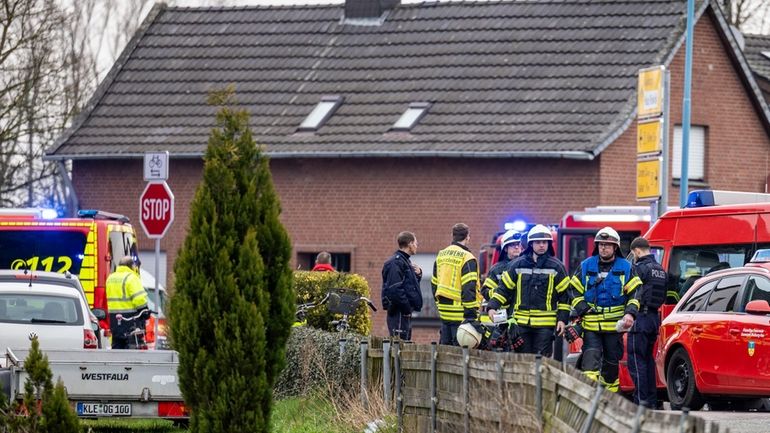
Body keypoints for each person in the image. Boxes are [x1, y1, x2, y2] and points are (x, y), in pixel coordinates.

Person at [568, 227, 642, 392]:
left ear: (615, 247)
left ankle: (609, 401)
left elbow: (636, 293)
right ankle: (588, 397)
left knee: (611, 367)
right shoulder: (586, 265)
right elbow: (573, 289)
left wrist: (630, 313)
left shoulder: (626, 267)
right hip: (591, 327)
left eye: (608, 245)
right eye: (601, 244)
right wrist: (583, 308)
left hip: (613, 328)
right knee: (590, 364)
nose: (604, 248)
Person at [487, 224, 571, 357]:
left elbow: (565, 297)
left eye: (544, 242)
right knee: (523, 361)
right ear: (531, 244)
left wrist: (562, 319)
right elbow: (504, 290)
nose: (542, 245)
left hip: (545, 326)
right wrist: (492, 307)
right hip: (521, 324)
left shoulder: (557, 267)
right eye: (538, 242)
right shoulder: (517, 265)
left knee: (542, 362)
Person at [627, 237, 667, 408]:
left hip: (639, 318)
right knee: (648, 361)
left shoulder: (639, 268)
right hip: (653, 319)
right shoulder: (661, 270)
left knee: (636, 361)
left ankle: (641, 403)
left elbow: (630, 290)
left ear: (636, 251)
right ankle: (651, 401)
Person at [431, 223, 481, 346]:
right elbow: (469, 288)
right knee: (460, 357)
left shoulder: (441, 255)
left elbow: (434, 284)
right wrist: (471, 315)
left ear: (453, 236)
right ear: (467, 237)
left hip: (444, 314)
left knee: (444, 353)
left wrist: (439, 305)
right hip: (460, 316)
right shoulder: (467, 258)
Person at [381, 231, 423, 340]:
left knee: (404, 346)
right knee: (398, 346)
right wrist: (407, 308)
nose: (416, 246)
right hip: (399, 313)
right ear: (409, 244)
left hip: (403, 312)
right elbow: (395, 289)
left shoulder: (405, 261)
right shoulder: (396, 263)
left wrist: (418, 275)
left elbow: (409, 286)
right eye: (415, 243)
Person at [106, 256, 150, 349]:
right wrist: (145, 311)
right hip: (130, 320)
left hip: (114, 321)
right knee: (132, 349)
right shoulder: (131, 278)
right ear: (131, 266)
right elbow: (139, 299)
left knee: (117, 348)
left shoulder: (111, 278)